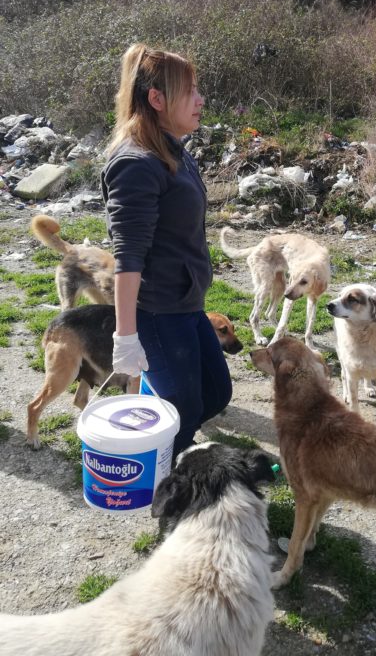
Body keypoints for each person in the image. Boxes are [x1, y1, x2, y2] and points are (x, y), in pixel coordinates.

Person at [101, 43, 232, 457]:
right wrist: (126, 335)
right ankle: (165, 489)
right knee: (186, 409)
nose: (201, 99)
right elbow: (129, 257)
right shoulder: (136, 163)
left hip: (187, 302)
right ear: (156, 99)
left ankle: (172, 447)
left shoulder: (173, 149)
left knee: (215, 393)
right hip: (157, 311)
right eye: (190, 91)